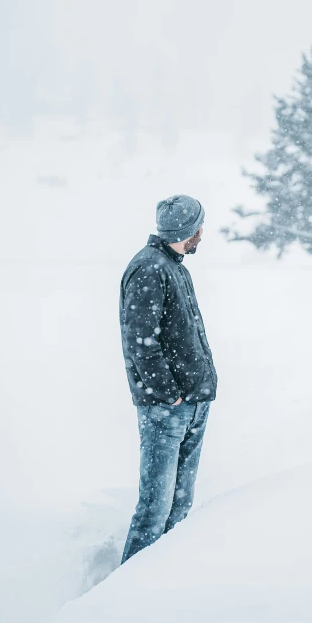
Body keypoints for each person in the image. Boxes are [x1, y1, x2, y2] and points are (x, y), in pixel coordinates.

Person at [119, 194, 218, 564]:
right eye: (199, 226)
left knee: (179, 507)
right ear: (189, 230)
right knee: (154, 511)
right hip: (167, 410)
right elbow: (140, 341)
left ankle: (163, 585)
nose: (203, 233)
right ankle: (119, 599)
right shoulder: (150, 268)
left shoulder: (173, 265)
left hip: (192, 403)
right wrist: (167, 394)